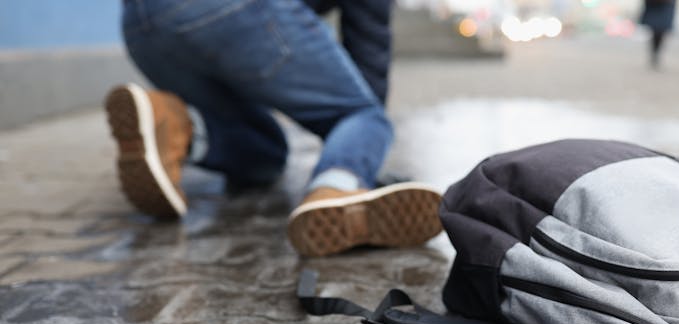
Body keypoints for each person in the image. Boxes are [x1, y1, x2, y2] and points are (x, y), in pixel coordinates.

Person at [105, 0, 443, 257]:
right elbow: (368, 46)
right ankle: (336, 189)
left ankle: (178, 127)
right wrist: (356, 154)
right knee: (365, 115)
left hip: (142, 26)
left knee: (264, 154)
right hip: (235, 13)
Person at [640, 0, 676, 69]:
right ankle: (655, 53)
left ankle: (656, 53)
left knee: (660, 29)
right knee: (655, 29)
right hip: (654, 5)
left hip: (665, 5)